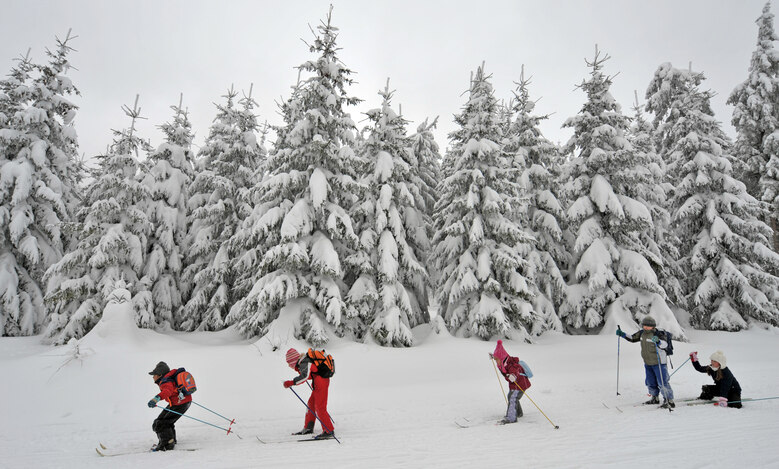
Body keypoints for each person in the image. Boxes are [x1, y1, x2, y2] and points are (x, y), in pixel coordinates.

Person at [616, 316, 675, 408]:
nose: (646, 327)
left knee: (662, 382)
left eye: (648, 326)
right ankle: (654, 398)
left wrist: (658, 341)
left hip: (659, 363)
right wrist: (622, 334)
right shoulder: (642, 333)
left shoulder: (658, 334)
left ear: (653, 326)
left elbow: (665, 345)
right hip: (648, 363)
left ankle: (669, 400)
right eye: (644, 325)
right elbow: (632, 338)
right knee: (650, 382)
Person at [283, 348, 335, 440]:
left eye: (289, 363)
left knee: (320, 407)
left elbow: (304, 377)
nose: (289, 365)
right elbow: (311, 373)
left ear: (293, 360)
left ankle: (328, 430)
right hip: (318, 383)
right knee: (311, 404)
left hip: (321, 383)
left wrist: (291, 383)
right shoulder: (304, 362)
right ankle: (308, 428)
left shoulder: (305, 362)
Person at [147, 361, 192, 451]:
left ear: (159, 375)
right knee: (162, 422)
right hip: (181, 402)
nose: (153, 376)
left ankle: (167, 444)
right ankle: (171, 440)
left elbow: (168, 391)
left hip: (180, 404)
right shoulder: (168, 379)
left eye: (154, 374)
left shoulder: (165, 382)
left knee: (161, 423)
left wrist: (156, 398)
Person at [489, 340, 531, 424]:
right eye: (495, 359)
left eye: (497, 359)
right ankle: (518, 413)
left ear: (501, 358)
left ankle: (511, 417)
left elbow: (515, 371)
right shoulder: (503, 363)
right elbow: (503, 371)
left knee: (513, 397)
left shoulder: (511, 364)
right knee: (511, 396)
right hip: (515, 384)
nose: (496, 361)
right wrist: (493, 356)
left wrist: (513, 376)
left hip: (521, 384)